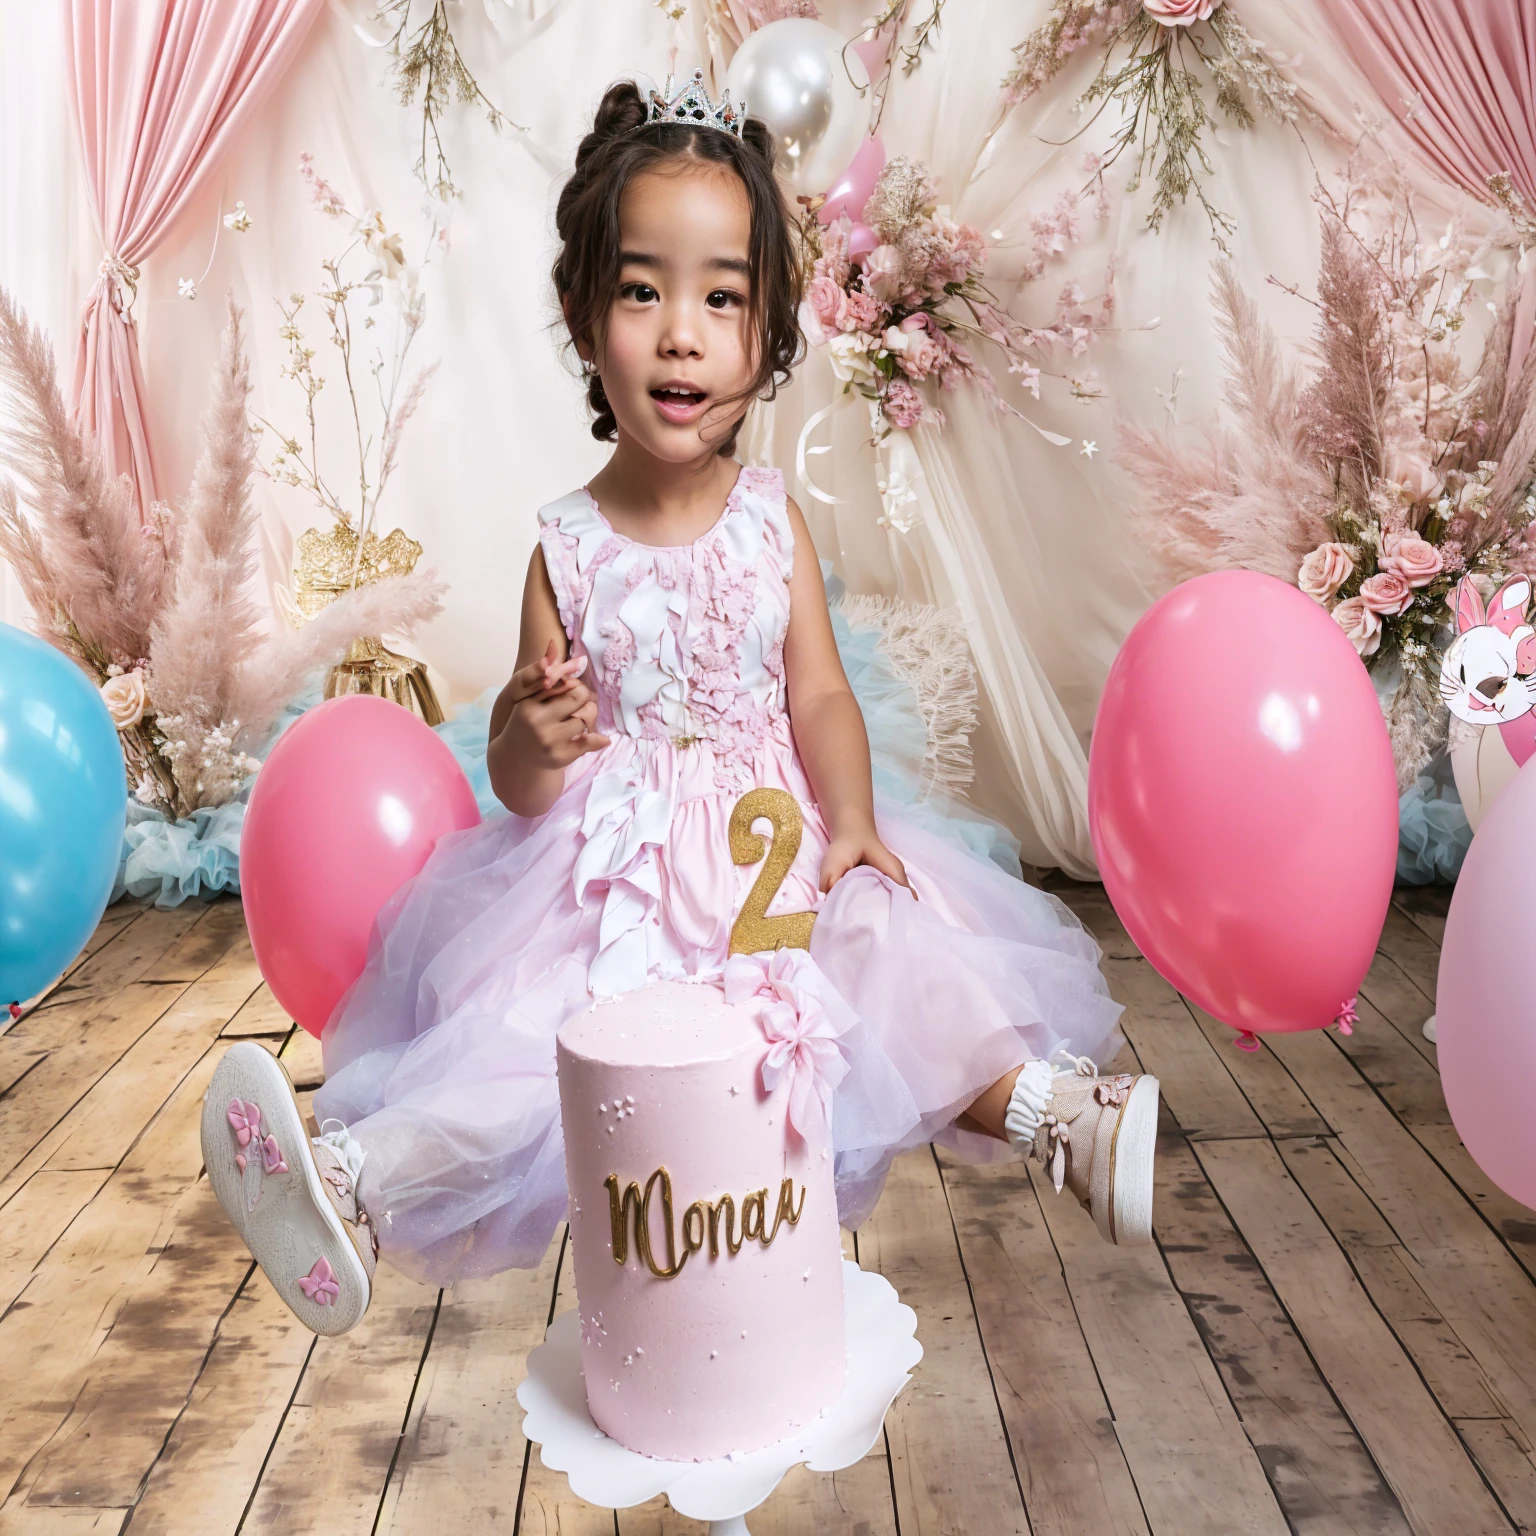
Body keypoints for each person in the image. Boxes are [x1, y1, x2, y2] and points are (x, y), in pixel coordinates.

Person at [202, 71, 1157, 1336]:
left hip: (776, 864)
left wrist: (857, 822)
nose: (681, 333)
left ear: (767, 337)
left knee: (889, 956)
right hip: (622, 885)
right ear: (584, 315)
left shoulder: (772, 523)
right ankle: (349, 1183)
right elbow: (528, 770)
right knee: (534, 1049)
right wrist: (526, 742)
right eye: (643, 291)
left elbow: (816, 692)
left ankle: (1054, 1118)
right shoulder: (566, 546)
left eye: (722, 298)